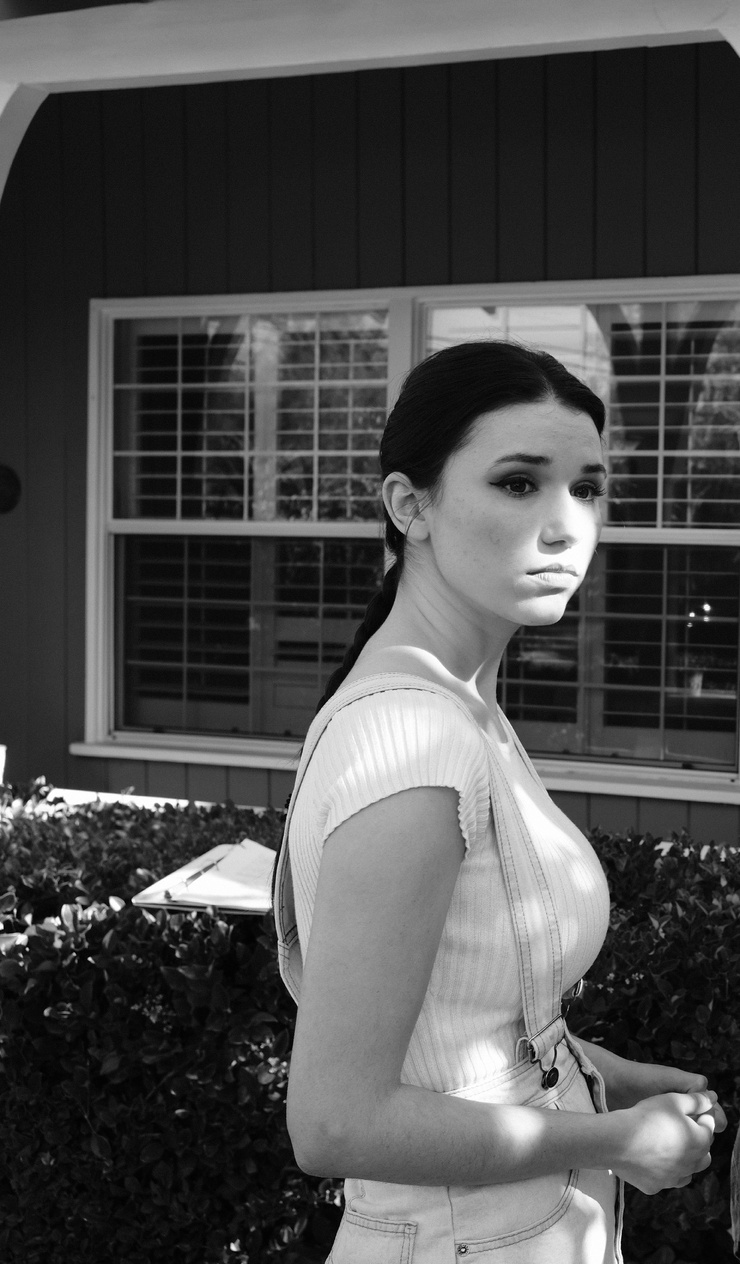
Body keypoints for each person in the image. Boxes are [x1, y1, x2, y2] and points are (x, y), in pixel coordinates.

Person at [273, 341, 726, 1264]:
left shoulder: (464, 708)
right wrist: (617, 1140)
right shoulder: (413, 743)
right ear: (411, 506)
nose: (566, 526)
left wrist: (607, 1078)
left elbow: (464, 1033)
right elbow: (335, 1122)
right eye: (519, 484)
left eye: (586, 489)